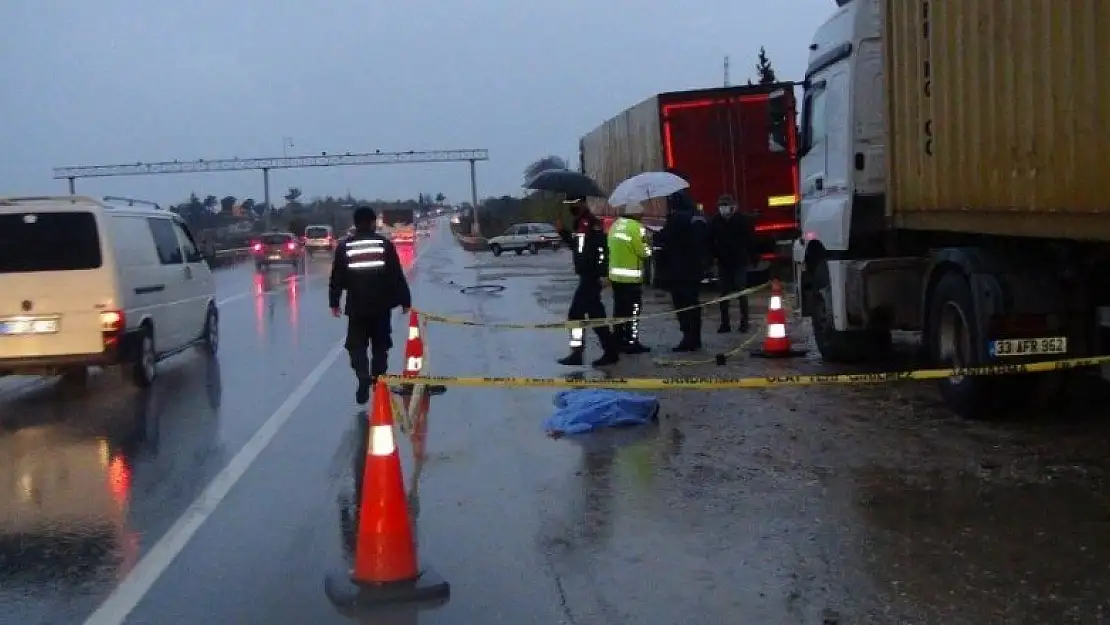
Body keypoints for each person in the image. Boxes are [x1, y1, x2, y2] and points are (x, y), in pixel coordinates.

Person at [329, 206, 412, 405]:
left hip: (357, 308)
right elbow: (396, 275)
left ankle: (362, 376)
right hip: (381, 307)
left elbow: (337, 277)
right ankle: (377, 381)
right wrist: (405, 300)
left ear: (356, 223)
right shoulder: (384, 245)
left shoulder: (345, 247)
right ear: (373, 222)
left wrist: (334, 302)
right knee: (381, 347)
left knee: (356, 346)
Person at [555, 197, 620, 367]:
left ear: (582, 203)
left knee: (575, 315)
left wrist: (604, 274)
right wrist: (563, 232)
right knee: (596, 316)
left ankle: (578, 354)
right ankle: (610, 351)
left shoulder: (592, 223)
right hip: (586, 276)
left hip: (591, 277)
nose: (571, 207)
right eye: (568, 204)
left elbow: (601, 249)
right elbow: (578, 248)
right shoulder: (580, 223)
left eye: (573, 203)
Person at [654, 178, 709, 352]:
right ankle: (696, 338)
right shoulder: (698, 217)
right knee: (694, 304)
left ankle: (688, 339)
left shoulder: (676, 220)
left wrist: (656, 235)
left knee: (682, 306)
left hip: (678, 272)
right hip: (695, 270)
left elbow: (664, 241)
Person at [606, 202, 651, 354]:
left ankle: (618, 340)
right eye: (642, 215)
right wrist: (649, 245)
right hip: (631, 280)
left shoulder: (615, 225)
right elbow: (644, 252)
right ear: (637, 214)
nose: (642, 218)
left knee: (619, 311)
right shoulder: (637, 228)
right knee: (633, 312)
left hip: (616, 278)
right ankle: (632, 343)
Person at [709, 194, 756, 333]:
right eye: (720, 206)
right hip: (723, 262)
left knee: (741, 291)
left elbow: (750, 239)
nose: (723, 208)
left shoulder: (741, 220)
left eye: (725, 205)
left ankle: (744, 322)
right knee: (723, 294)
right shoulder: (716, 220)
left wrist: (753, 257)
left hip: (739, 261)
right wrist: (712, 256)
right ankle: (725, 323)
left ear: (733, 207)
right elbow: (710, 240)